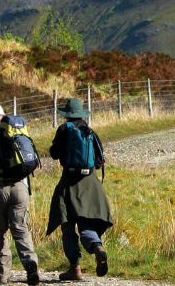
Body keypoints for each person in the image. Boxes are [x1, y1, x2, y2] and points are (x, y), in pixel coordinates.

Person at [47, 98, 114, 280]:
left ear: (67, 114)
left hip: (69, 182)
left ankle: (74, 268)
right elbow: (99, 162)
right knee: (87, 223)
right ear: (82, 113)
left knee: (67, 225)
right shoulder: (89, 131)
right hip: (90, 183)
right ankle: (97, 247)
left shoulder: (63, 130)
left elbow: (54, 154)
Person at [0, 104, 42, 285]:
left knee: (0, 230)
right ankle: (31, 265)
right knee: (21, 228)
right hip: (20, 186)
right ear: (3, 116)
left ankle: (2, 274)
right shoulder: (17, 132)